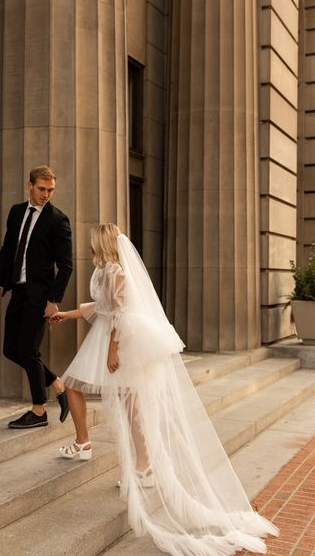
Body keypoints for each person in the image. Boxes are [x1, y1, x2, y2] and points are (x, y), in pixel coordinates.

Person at [50, 223, 279, 555]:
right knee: (119, 401)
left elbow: (120, 313)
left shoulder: (116, 272)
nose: (88, 247)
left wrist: (114, 350)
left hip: (119, 341)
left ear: (102, 243)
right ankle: (118, 456)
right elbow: (99, 307)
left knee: (128, 404)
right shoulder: (104, 271)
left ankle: (140, 465)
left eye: (91, 242)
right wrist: (68, 316)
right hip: (105, 337)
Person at [0, 165, 72, 429]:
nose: (46, 194)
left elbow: (66, 265)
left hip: (40, 296)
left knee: (27, 349)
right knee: (10, 349)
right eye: (41, 189)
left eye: (50, 190)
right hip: (18, 290)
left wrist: (53, 300)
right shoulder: (16, 212)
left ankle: (38, 411)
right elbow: (7, 250)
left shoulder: (58, 220)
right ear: (30, 185)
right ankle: (58, 384)